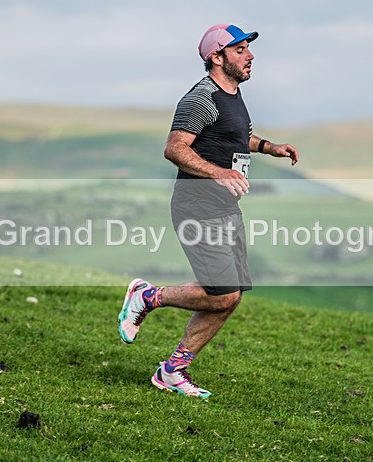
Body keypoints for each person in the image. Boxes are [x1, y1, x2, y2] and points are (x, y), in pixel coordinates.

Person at [117, 23, 299, 399]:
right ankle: (147, 297)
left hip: (226, 208)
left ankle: (172, 371)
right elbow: (175, 148)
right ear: (216, 57)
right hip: (196, 205)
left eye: (248, 48)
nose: (250, 55)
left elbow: (237, 137)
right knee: (221, 292)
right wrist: (218, 172)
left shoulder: (231, 95)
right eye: (240, 49)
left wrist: (268, 146)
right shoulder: (201, 97)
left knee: (230, 296)